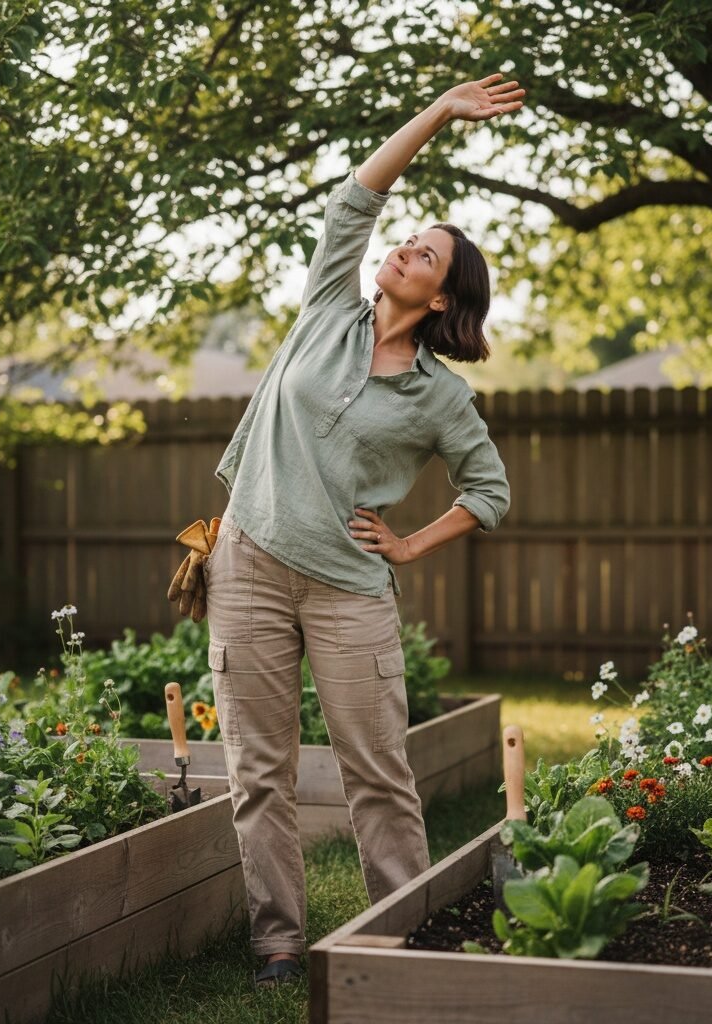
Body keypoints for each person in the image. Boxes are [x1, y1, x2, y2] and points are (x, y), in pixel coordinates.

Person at [205, 72, 524, 990]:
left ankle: (397, 933)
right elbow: (359, 198)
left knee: (377, 775)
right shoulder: (324, 313)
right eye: (410, 241)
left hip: (349, 591)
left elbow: (490, 490)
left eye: (426, 255)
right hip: (248, 565)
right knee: (256, 771)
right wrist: (436, 112)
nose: (404, 250)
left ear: (441, 298)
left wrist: (413, 544)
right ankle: (277, 941)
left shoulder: (441, 397)